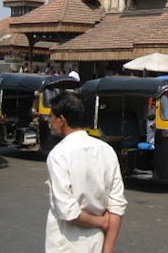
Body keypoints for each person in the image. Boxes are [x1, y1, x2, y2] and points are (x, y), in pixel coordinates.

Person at [45, 93, 127, 253]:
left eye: (51, 117)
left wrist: (101, 223)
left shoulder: (58, 155)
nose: (49, 122)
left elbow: (68, 211)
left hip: (66, 244)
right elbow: (117, 205)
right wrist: (108, 249)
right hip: (97, 243)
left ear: (61, 120)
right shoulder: (106, 150)